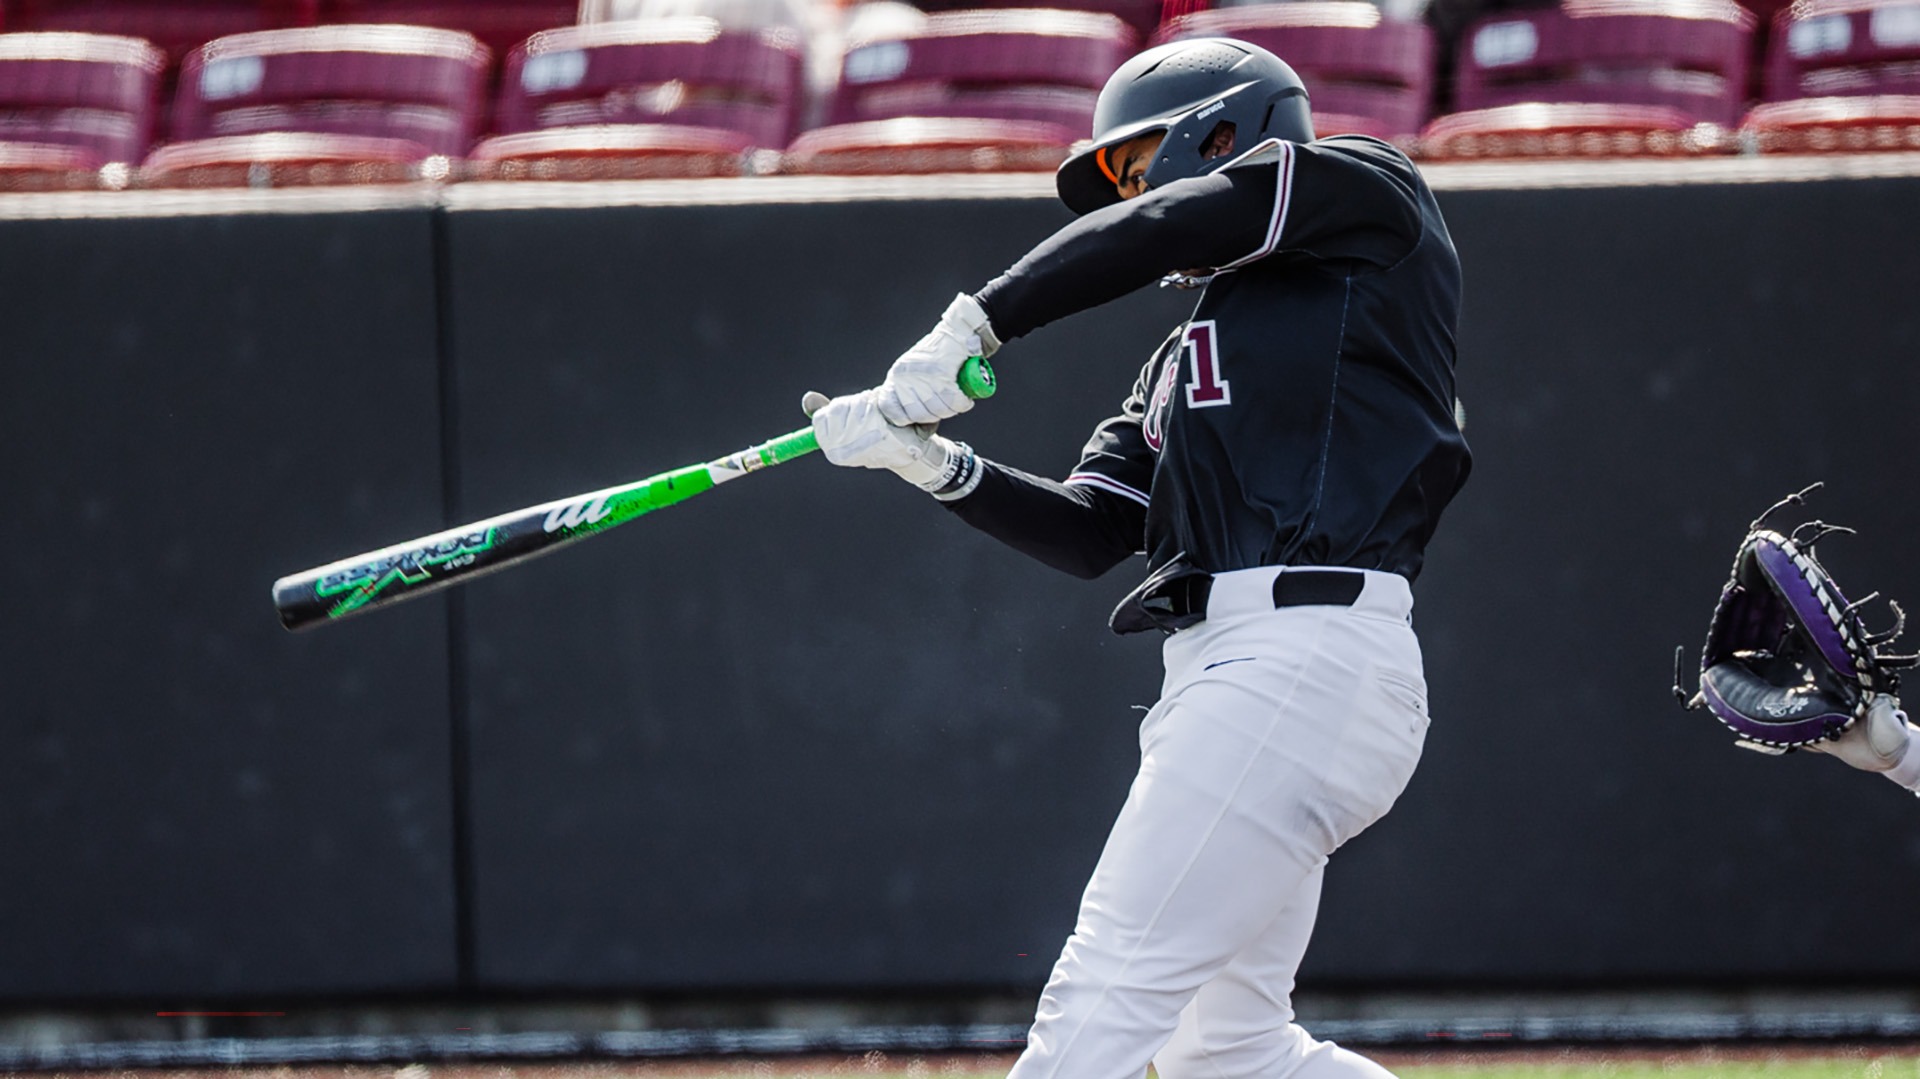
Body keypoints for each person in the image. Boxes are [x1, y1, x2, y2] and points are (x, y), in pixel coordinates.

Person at [805, 37, 1470, 1079]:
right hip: (1237, 671)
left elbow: (1176, 216)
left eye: (1135, 159)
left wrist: (978, 319)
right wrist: (928, 464)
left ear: (1223, 131)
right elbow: (1089, 528)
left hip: (1304, 655)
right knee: (1231, 1051)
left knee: (1107, 990)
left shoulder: (1367, 191)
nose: (1127, 190)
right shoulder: (1182, 355)